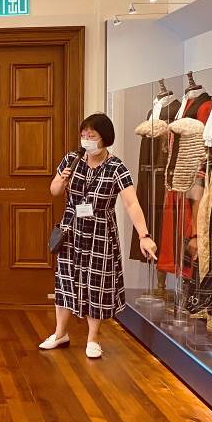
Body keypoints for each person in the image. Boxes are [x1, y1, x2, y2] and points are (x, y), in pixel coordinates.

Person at [43, 113, 158, 359]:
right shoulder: (71, 160)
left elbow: (131, 204)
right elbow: (53, 191)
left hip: (100, 232)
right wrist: (62, 181)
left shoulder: (116, 167)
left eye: (92, 136)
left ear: (104, 139)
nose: (86, 140)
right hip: (71, 229)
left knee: (97, 283)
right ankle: (60, 332)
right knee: (65, 280)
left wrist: (144, 235)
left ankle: (93, 337)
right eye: (84, 135)